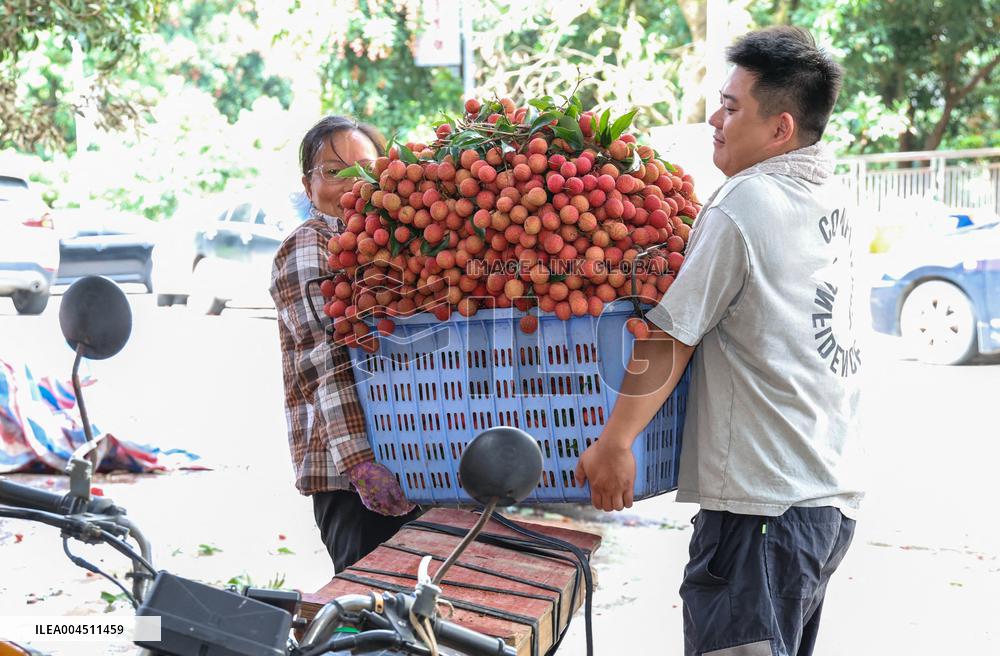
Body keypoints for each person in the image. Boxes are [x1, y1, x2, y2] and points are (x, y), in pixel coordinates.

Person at [575, 27, 864, 656]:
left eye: (732, 108)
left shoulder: (746, 201)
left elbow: (671, 335)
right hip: (821, 508)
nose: (714, 118)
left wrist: (615, 443)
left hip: (761, 513)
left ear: (780, 128)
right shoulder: (829, 196)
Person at [270, 116, 420, 573]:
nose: (352, 182)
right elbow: (325, 356)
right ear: (307, 184)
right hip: (349, 478)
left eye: (364, 169)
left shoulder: (390, 243)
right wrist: (360, 464)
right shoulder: (308, 244)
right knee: (372, 612)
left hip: (412, 460)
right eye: (333, 171)